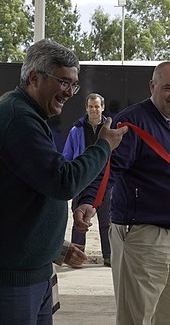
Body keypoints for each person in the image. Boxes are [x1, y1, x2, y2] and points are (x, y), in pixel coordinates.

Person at [0, 39, 128, 324]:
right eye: (64, 82)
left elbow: (32, 194)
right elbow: (62, 182)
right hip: (17, 282)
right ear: (34, 77)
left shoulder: (29, 114)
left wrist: (57, 248)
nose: (69, 92)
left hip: (37, 273)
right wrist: (104, 146)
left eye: (74, 85)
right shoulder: (18, 118)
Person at [74, 61, 170, 325]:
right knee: (136, 320)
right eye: (168, 87)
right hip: (147, 239)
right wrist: (89, 200)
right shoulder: (132, 121)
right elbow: (108, 166)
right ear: (152, 86)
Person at [63, 92, 112, 267]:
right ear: (86, 108)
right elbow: (67, 155)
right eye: (90, 106)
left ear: (102, 108)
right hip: (82, 179)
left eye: (97, 106)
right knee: (79, 220)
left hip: (105, 181)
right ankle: (77, 256)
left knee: (107, 220)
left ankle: (108, 256)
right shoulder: (76, 130)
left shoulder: (109, 130)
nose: (93, 109)